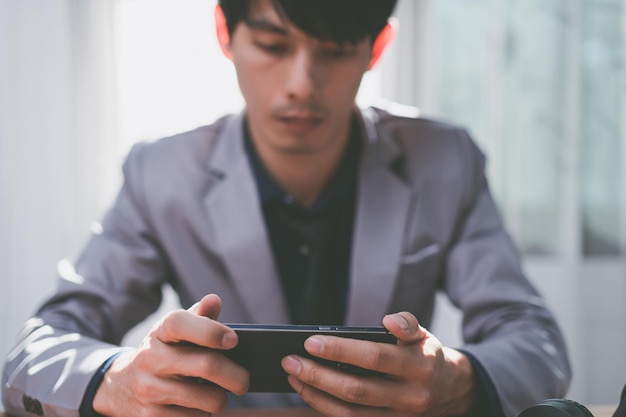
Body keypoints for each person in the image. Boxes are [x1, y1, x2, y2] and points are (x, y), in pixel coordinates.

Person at [1, 1, 571, 416]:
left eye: (335, 51)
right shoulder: (160, 172)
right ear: (225, 31)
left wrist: (459, 380)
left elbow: (535, 344)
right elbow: (35, 350)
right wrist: (115, 377)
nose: (303, 83)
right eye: (274, 46)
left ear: (376, 47)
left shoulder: (445, 159)